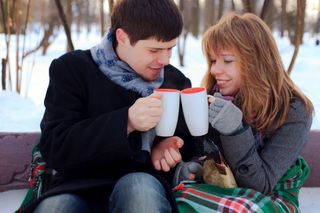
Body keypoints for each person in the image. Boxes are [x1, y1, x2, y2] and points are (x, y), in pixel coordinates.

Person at [22, 0, 197, 212]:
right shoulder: (73, 69)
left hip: (143, 183)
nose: (165, 60)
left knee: (140, 195)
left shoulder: (174, 81)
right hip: (75, 184)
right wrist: (127, 122)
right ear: (122, 37)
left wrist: (167, 147)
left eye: (170, 48)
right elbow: (56, 147)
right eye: (154, 50)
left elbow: (190, 145)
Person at [152, 13, 314, 212]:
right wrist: (195, 168)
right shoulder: (214, 98)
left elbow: (260, 186)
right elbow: (209, 157)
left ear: (257, 62)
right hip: (220, 191)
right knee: (176, 200)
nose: (214, 70)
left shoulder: (294, 112)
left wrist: (235, 130)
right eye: (213, 60)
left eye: (227, 60)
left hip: (272, 197)